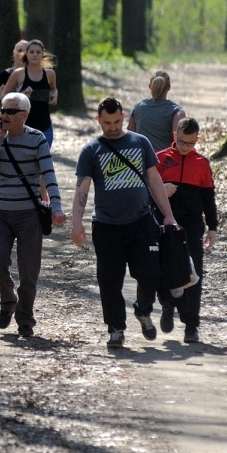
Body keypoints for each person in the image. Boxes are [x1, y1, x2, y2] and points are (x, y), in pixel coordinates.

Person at [71, 97, 178, 351]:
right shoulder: (91, 150)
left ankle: (142, 310)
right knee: (109, 281)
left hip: (141, 221)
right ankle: (116, 329)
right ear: (98, 121)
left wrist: (168, 215)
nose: (112, 127)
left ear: (124, 116)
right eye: (107, 123)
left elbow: (154, 181)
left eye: (117, 121)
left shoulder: (140, 142)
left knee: (150, 274)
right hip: (107, 226)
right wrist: (77, 222)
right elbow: (82, 188)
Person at [0, 92, 66, 338]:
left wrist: (57, 207)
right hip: (1, 212)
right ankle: (8, 302)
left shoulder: (37, 139)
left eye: (11, 111)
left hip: (29, 214)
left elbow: (49, 175)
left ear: (25, 115)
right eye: (2, 109)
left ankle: (25, 319)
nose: (4, 114)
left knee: (29, 272)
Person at [154, 117, 218, 344]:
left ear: (197, 140)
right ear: (174, 137)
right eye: (181, 142)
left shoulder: (202, 163)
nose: (185, 147)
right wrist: (161, 188)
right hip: (165, 224)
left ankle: (191, 325)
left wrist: (213, 228)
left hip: (192, 226)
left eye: (190, 143)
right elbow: (146, 189)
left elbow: (208, 198)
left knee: (194, 273)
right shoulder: (160, 159)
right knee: (164, 268)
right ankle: (167, 305)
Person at [0, 39, 57, 148]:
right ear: (26, 54)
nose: (35, 55)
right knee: (24, 162)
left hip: (45, 127)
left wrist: (54, 96)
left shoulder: (50, 74)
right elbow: (3, 96)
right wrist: (20, 96)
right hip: (22, 127)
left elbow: (54, 89)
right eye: (31, 52)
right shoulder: (19, 74)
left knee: (41, 162)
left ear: (42, 54)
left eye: (38, 52)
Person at [127, 70, 185, 153]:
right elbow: (180, 142)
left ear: (150, 86)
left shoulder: (139, 106)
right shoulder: (177, 112)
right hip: (166, 163)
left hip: (141, 160)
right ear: (169, 87)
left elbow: (129, 136)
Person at [0, 40, 29, 104]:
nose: (22, 54)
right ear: (14, 52)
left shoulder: (35, 75)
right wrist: (1, 95)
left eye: (26, 51)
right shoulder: (5, 74)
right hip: (9, 112)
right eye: (20, 50)